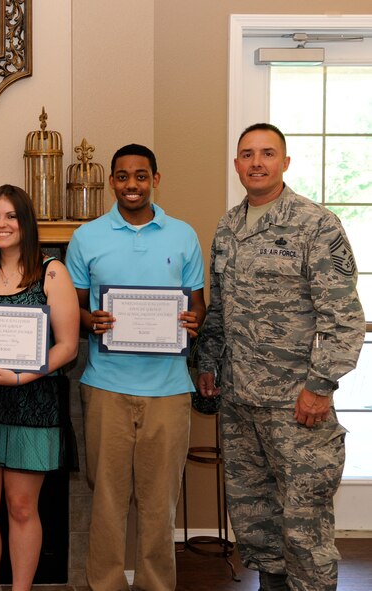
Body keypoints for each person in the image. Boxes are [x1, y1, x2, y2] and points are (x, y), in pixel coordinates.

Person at [197, 123, 365, 591]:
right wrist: (207, 363)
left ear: (285, 162)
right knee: (258, 526)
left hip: (297, 409)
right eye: (247, 154)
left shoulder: (316, 225)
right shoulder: (228, 227)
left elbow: (344, 318)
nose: (256, 162)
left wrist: (320, 387)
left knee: (304, 529)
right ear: (236, 165)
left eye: (267, 153)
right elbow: (220, 308)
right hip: (240, 404)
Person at [65, 143, 206, 591]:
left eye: (141, 176)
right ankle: (104, 585)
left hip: (168, 389)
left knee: (159, 503)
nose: (132, 185)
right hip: (106, 386)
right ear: (112, 182)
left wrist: (191, 321)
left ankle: (155, 585)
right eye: (123, 176)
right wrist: (93, 320)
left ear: (155, 180)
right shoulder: (87, 237)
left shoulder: (183, 235)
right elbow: (73, 311)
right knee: (105, 499)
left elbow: (199, 309)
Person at [0, 184, 79, 591]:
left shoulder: (52, 271)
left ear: (26, 222)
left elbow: (68, 346)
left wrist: (23, 376)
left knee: (22, 509)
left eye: (10, 216)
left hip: (32, 403)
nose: (0, 225)